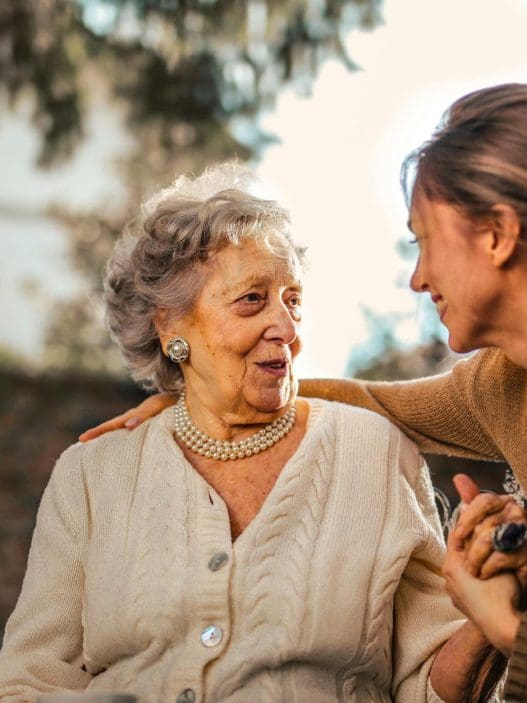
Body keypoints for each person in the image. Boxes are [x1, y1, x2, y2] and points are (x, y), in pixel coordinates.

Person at [82, 84, 527, 700]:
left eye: (424, 240)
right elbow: (377, 400)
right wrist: (202, 394)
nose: (418, 278)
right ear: (170, 325)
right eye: (251, 301)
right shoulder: (498, 387)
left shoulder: (379, 457)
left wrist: (501, 621)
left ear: (499, 235)